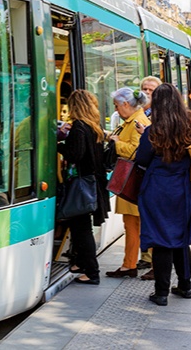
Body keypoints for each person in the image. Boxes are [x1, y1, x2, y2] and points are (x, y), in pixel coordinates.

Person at [135, 83, 191, 306]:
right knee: (182, 239)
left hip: (159, 190)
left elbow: (141, 160)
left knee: (161, 240)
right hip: (187, 188)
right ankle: (185, 287)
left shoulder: (153, 130)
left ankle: (161, 292)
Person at [57, 90, 109, 285]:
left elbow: (75, 155)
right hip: (93, 182)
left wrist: (59, 144)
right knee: (78, 225)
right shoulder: (94, 126)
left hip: (82, 185)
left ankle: (92, 272)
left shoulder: (79, 127)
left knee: (81, 228)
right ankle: (79, 262)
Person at [105, 87, 150, 279]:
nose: (116, 110)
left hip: (132, 181)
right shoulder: (132, 121)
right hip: (131, 181)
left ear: (125, 104)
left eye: (117, 105)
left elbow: (135, 150)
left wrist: (116, 143)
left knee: (134, 226)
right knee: (132, 225)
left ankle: (129, 265)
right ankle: (128, 264)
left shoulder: (138, 122)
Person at [137, 76, 161, 276]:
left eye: (151, 90)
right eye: (144, 88)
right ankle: (146, 257)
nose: (146, 92)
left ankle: (154, 262)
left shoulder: (158, 118)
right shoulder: (141, 112)